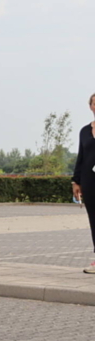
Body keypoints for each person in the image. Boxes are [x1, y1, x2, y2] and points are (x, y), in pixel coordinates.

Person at [71, 93, 95, 274]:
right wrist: (76, 181)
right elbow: (81, 157)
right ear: (91, 107)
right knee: (94, 220)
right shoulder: (84, 131)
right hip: (89, 180)